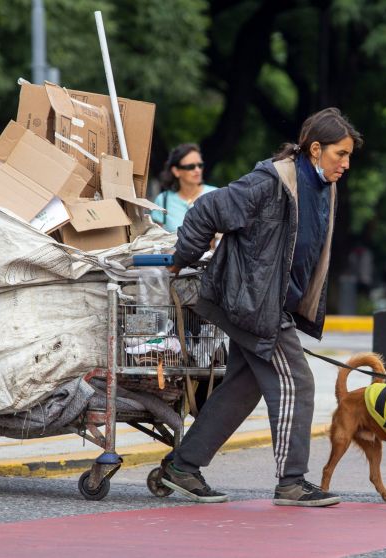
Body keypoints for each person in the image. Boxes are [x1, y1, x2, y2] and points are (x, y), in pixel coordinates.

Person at [161, 108, 363, 507]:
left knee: (242, 386)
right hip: (251, 304)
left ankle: (181, 467)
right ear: (316, 149)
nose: (346, 163)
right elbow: (207, 209)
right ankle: (291, 481)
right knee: (297, 383)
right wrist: (182, 258)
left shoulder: (324, 186)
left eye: (349, 155)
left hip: (267, 303)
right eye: (340, 154)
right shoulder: (270, 182)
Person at [151, 143, 218, 233]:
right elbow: (156, 239)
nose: (197, 170)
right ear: (176, 171)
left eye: (200, 165)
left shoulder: (215, 195)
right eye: (191, 167)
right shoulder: (163, 200)